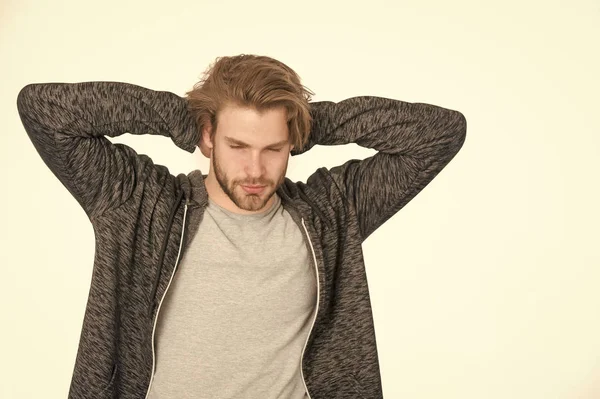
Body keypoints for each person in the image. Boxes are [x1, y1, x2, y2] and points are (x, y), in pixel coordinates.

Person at [16, 54, 467, 399]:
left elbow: (440, 133)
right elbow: (42, 109)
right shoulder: (137, 201)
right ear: (208, 136)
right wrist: (176, 115)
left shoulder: (332, 213)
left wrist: (310, 121)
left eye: (274, 148)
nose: (255, 169)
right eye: (238, 145)